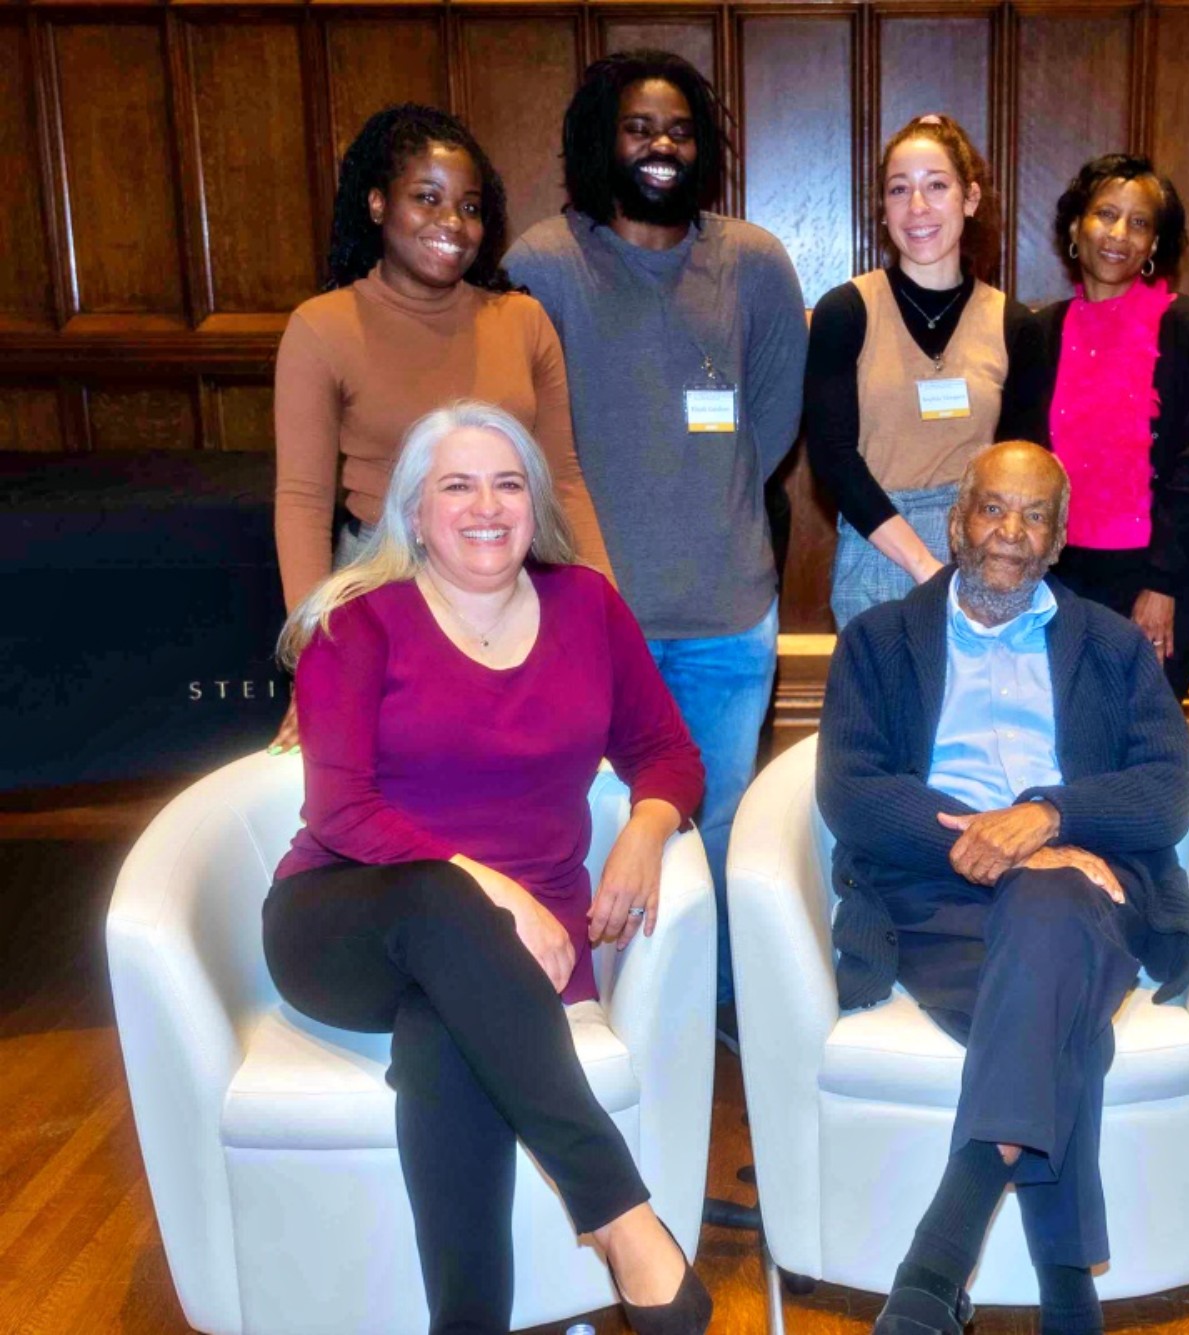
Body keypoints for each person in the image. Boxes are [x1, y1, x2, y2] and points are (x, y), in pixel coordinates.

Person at [265, 402, 713, 1335]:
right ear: (414, 511)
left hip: (506, 958)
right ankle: (628, 1224)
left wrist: (644, 827)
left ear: (536, 502)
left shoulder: (590, 605)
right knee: (442, 906)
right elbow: (340, 811)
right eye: (456, 485)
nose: (486, 506)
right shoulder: (355, 621)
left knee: (445, 1031)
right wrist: (495, 889)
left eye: (509, 483)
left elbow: (669, 751)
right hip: (345, 918)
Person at [818, 441, 1189, 1335]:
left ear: (1061, 539)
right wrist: (994, 839)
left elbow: (1170, 784)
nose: (1011, 534)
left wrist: (1050, 816)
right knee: (1055, 1016)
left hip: (1081, 890)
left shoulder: (1109, 647)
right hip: (932, 897)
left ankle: (933, 1265)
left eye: (1035, 517)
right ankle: (1068, 1292)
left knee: (1053, 913)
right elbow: (852, 789)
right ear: (956, 523)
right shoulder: (878, 641)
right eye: (993, 509)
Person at [504, 51, 807, 1018]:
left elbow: (771, 415)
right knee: (592, 822)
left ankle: (711, 1008)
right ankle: (614, 1001)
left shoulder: (753, 262)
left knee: (714, 825)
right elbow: (523, 433)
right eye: (639, 128)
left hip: (727, 613)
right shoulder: (541, 264)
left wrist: (699, 506)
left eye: (679, 129)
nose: (662, 146)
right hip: (586, 619)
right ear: (603, 139)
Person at [272, 103, 611, 749]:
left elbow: (563, 479)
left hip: (511, 573)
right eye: (427, 198)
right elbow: (302, 502)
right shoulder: (321, 327)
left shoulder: (523, 320)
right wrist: (313, 658)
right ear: (377, 204)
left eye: (470, 206)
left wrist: (603, 613)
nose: (452, 223)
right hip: (381, 579)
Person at [805, 114, 1037, 629]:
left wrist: (975, 562)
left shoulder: (1015, 324)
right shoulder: (846, 312)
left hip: (988, 552)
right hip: (878, 548)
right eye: (898, 189)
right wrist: (924, 565)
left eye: (936, 185)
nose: (917, 207)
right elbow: (833, 457)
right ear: (882, 211)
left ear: (970, 199)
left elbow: (1026, 466)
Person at [1008, 153, 1189, 700]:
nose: (1119, 233)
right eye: (1106, 214)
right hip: (1056, 579)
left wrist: (1163, 584)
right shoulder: (1040, 332)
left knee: (1141, 743)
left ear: (1154, 245)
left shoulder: (1185, 325)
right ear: (1077, 226)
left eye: (1140, 222)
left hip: (1154, 581)